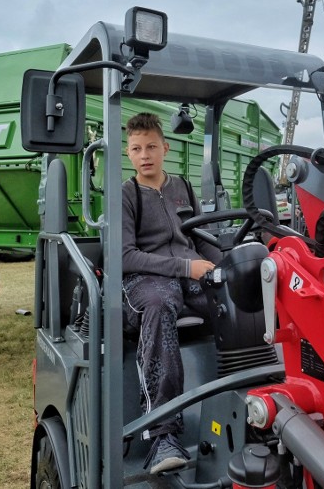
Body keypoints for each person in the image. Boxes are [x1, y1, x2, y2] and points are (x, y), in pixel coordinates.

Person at [121, 113, 223, 475]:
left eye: (151, 146)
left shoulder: (181, 185)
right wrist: (185, 268)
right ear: (128, 154)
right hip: (144, 279)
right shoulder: (127, 194)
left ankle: (243, 406)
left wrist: (225, 267)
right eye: (136, 149)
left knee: (232, 298)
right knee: (160, 304)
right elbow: (124, 256)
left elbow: (197, 238)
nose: (145, 155)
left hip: (188, 272)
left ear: (165, 148)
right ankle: (162, 435)